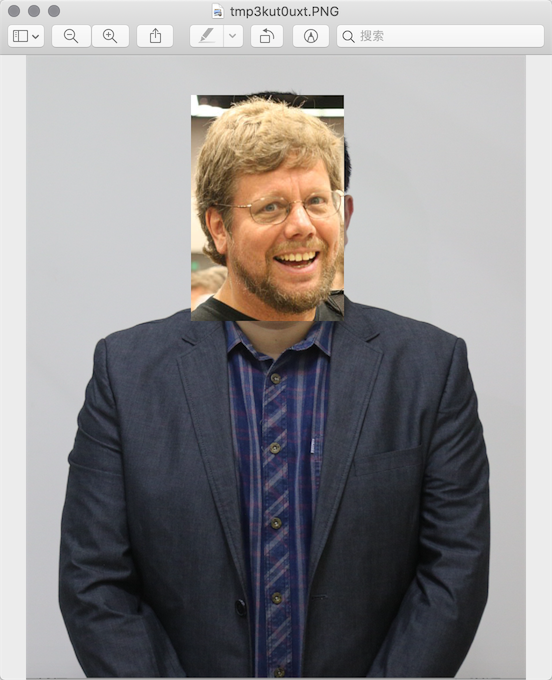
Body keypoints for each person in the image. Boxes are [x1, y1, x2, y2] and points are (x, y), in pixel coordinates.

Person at [59, 97, 490, 678]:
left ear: (345, 214)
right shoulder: (127, 372)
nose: (302, 225)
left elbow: (454, 571)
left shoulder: (429, 368)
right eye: (271, 207)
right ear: (219, 227)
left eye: (318, 201)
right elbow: (93, 580)